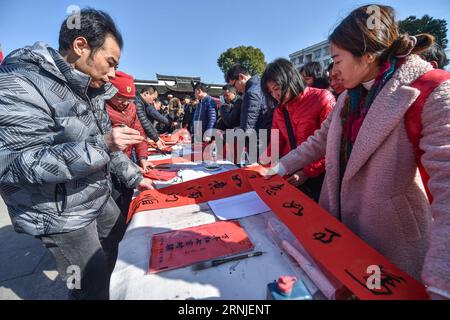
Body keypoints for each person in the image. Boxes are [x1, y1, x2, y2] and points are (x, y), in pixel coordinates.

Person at [262, 4, 450, 299]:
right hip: (340, 235)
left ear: (368, 54)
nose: (331, 69)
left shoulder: (430, 90)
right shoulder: (350, 97)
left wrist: (442, 281)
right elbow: (319, 140)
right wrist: (279, 168)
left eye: (337, 59)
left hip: (391, 243)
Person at [0, 8, 154, 300]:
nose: (112, 75)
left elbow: (110, 142)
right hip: (60, 210)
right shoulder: (19, 82)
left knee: (116, 251)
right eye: (110, 62)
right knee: (89, 285)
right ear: (81, 46)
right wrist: (102, 145)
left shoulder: (90, 86)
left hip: (96, 193)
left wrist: (134, 177)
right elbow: (17, 163)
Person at [261, 58, 335, 202]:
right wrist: (262, 164)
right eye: (270, 92)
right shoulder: (279, 109)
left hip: (317, 175)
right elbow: (275, 142)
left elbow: (330, 143)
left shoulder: (322, 98)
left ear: (290, 79)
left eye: (277, 88)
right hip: (288, 169)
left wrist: (307, 172)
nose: (275, 95)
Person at [106, 71, 153, 218]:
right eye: (120, 98)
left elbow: (138, 132)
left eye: (129, 99)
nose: (125, 102)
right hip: (108, 165)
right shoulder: (101, 108)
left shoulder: (131, 108)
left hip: (127, 161)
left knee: (127, 197)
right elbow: (109, 147)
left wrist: (143, 158)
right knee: (114, 203)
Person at [226, 64, 273, 160]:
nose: (235, 89)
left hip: (257, 146)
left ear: (241, 77)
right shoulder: (261, 86)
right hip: (267, 142)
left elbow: (246, 129)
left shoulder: (251, 93)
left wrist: (225, 135)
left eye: (234, 85)